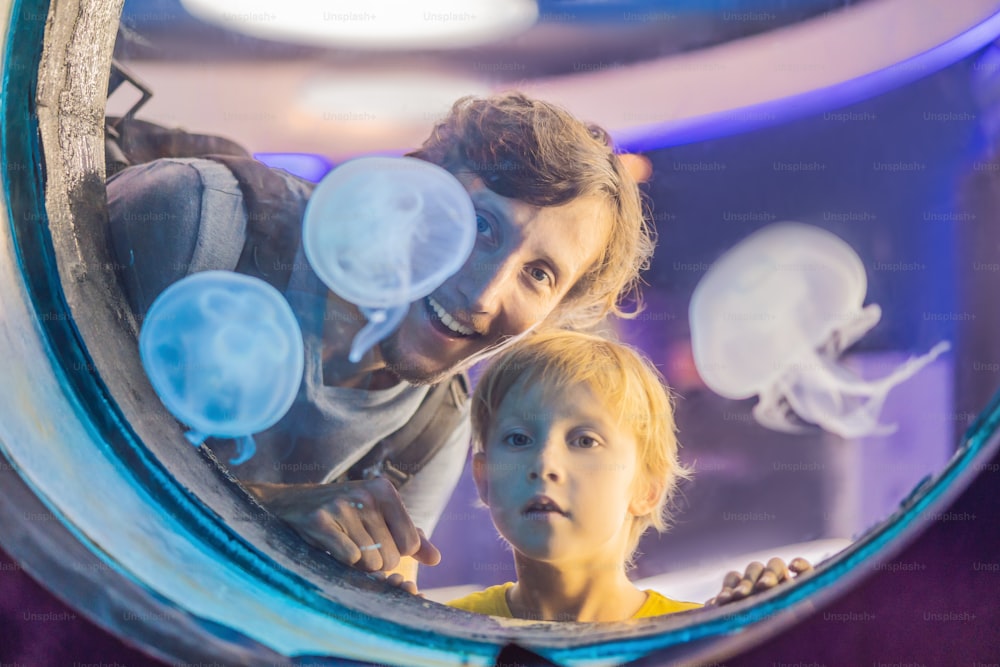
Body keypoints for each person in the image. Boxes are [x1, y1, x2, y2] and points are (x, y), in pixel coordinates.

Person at [105, 92, 654, 585]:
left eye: (538, 275)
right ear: (407, 185)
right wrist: (260, 512)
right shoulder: (194, 217)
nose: (483, 297)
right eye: (482, 226)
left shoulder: (434, 430)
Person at [446, 330, 812, 621]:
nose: (545, 464)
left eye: (584, 441)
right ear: (484, 477)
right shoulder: (442, 633)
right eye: (518, 438)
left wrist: (768, 636)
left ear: (648, 487)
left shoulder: (693, 635)